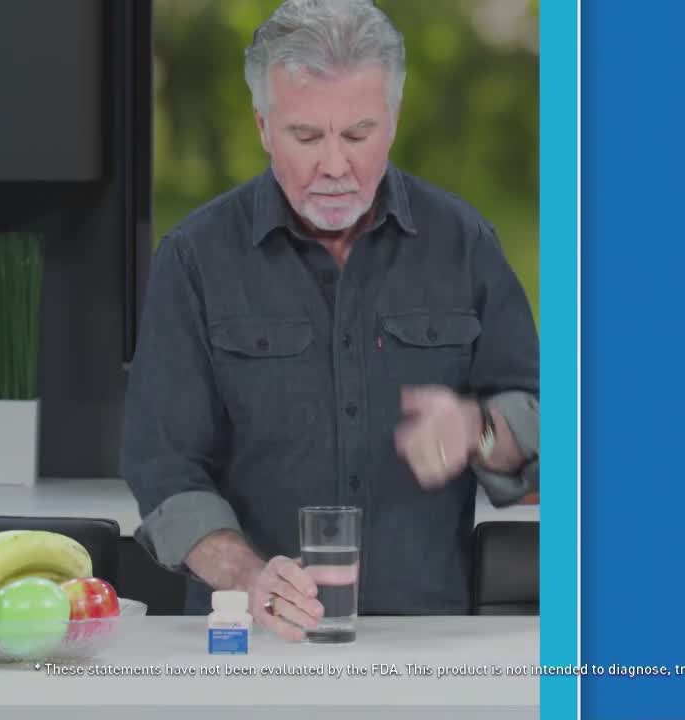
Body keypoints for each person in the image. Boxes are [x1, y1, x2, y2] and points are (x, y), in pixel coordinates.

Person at [121, 0, 539, 640]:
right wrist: (247, 576)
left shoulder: (463, 243)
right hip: (250, 645)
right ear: (263, 126)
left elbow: (544, 422)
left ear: (393, 122)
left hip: (429, 644)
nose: (336, 166)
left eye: (358, 134)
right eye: (307, 136)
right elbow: (164, 470)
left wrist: (479, 429)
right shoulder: (194, 259)